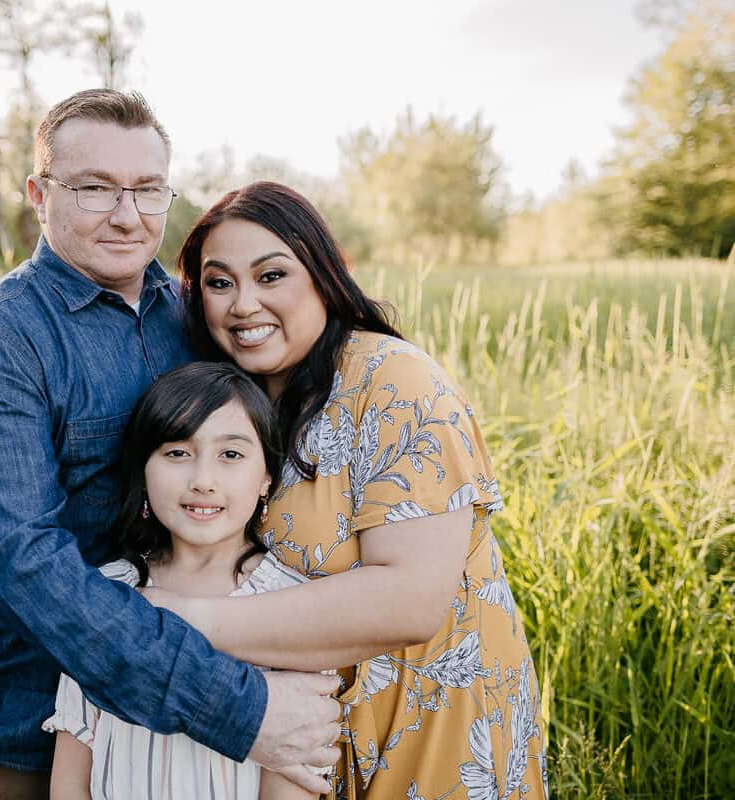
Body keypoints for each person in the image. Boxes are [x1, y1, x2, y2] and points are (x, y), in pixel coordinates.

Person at [0, 94, 339, 800]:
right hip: (32, 738)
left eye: (148, 189)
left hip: (215, 732)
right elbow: (25, 568)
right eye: (94, 188)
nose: (127, 214)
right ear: (38, 195)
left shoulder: (191, 316)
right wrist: (239, 708)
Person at [139, 181, 548, 799]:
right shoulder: (238, 404)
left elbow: (409, 600)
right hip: (306, 743)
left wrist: (180, 623)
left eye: (271, 276)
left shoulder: (393, 383)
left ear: (325, 275)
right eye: (220, 283)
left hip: (426, 731)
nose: (243, 304)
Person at [46, 361, 325, 800]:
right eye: (177, 453)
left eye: (230, 455)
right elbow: (69, 777)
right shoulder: (105, 593)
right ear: (143, 472)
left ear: (266, 479)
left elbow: (293, 784)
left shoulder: (293, 604)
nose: (203, 481)